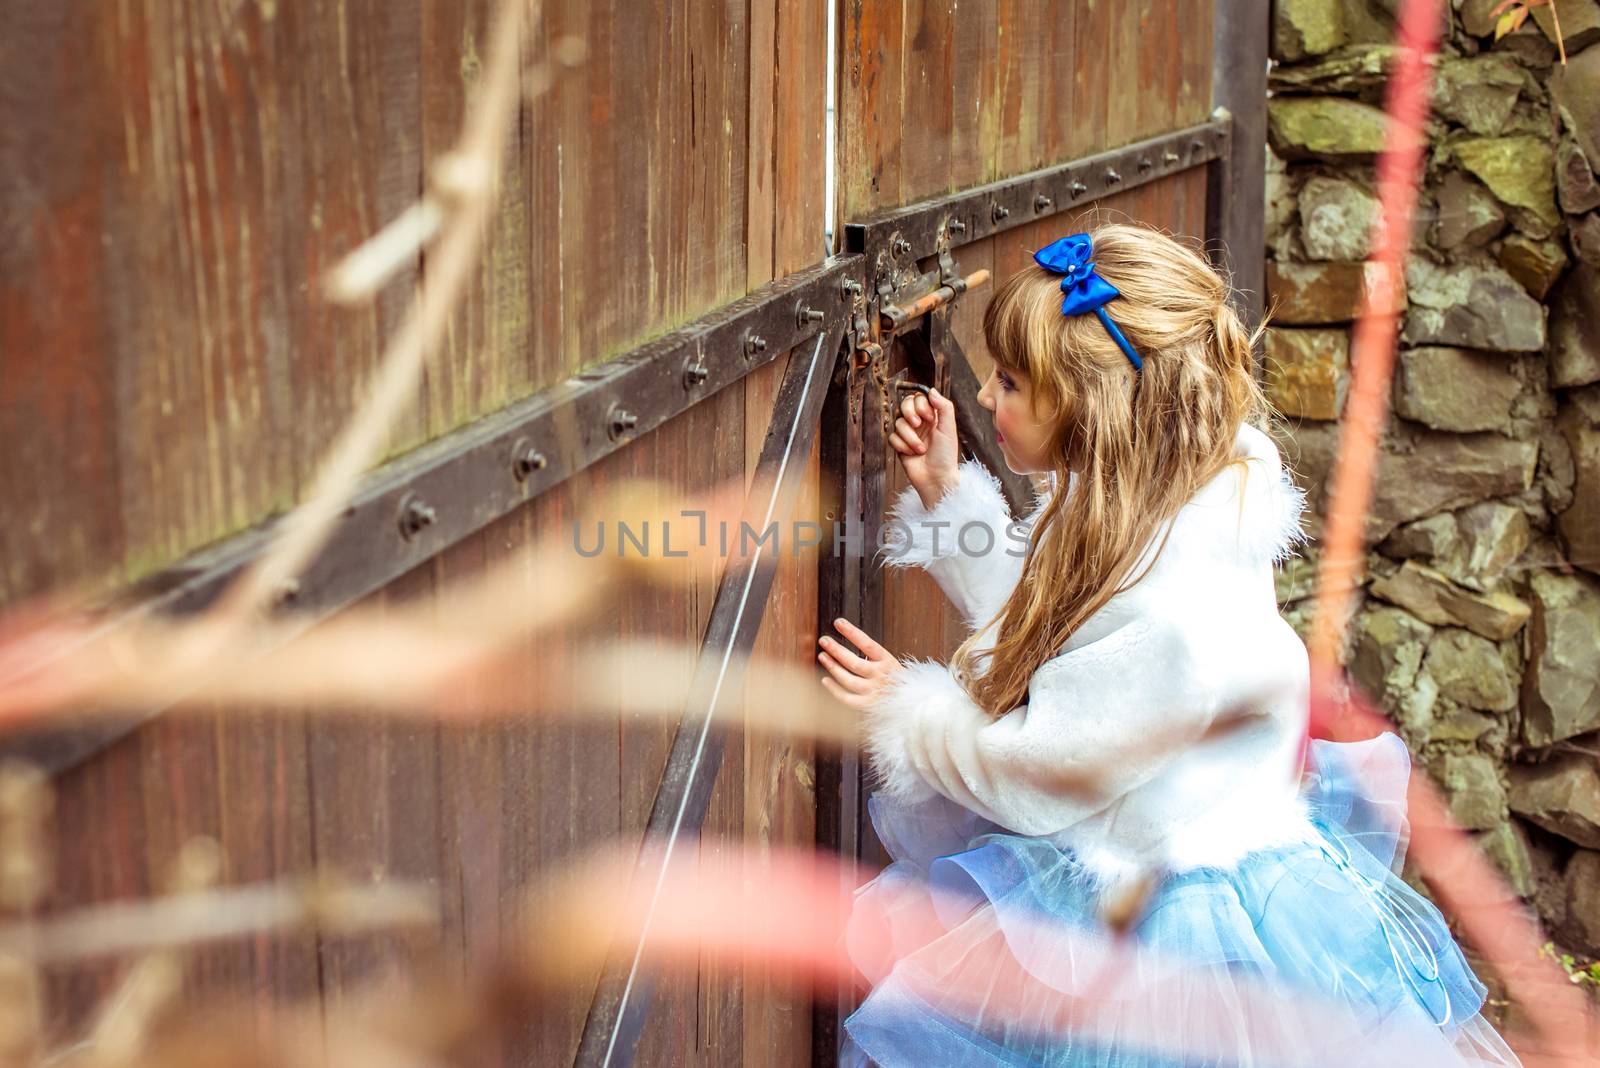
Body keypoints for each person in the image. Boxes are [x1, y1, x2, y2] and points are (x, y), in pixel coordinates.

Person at [814, 224, 1522, 1067]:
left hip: (1166, 919)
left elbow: (1045, 773)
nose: (989, 399)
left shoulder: (1181, 607)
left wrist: (910, 714)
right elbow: (1063, 637)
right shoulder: (1156, 503)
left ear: (1091, 405)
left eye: (1010, 383)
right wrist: (949, 494)